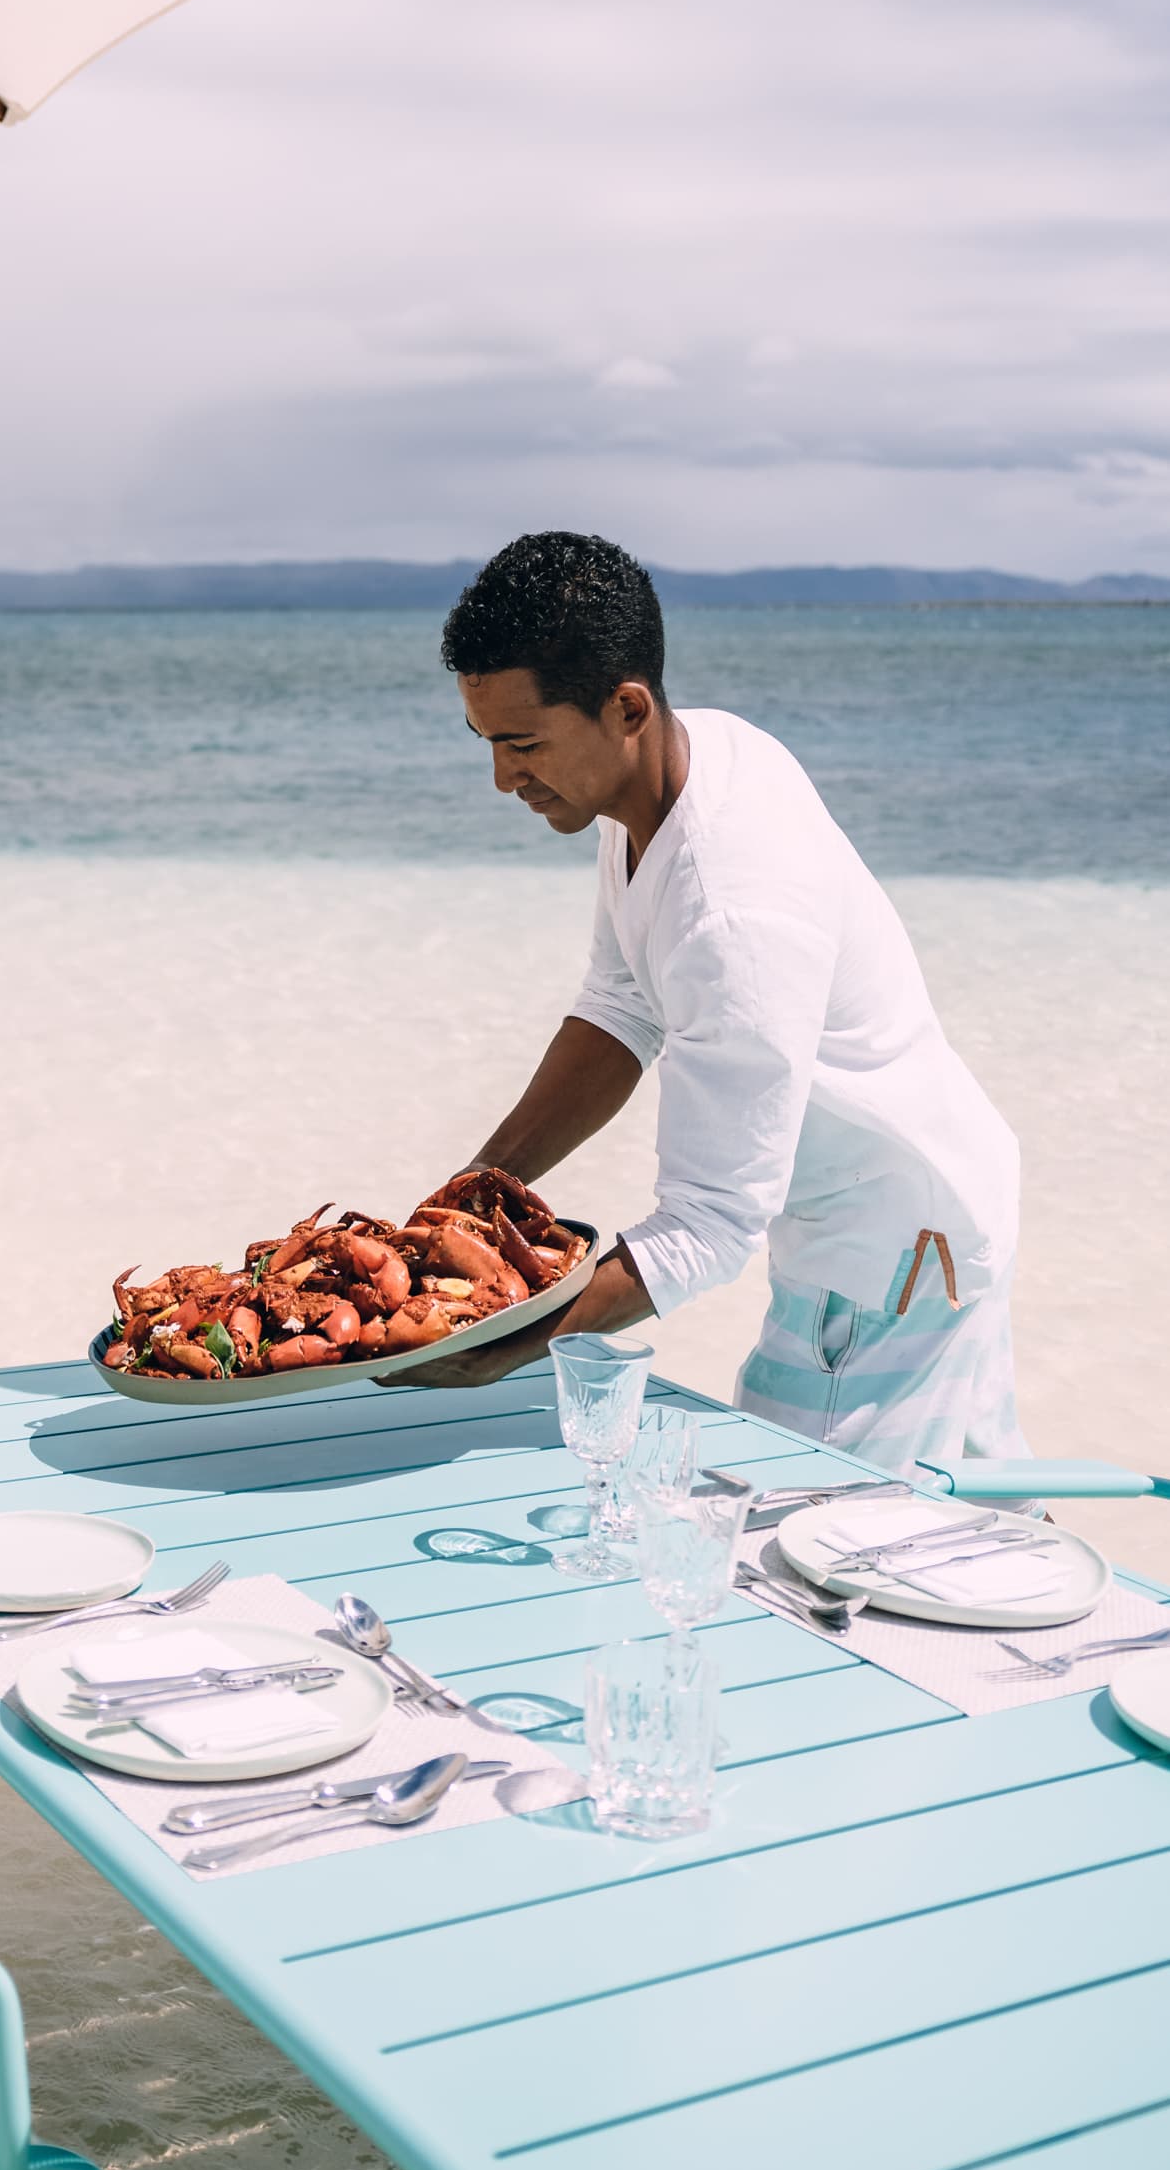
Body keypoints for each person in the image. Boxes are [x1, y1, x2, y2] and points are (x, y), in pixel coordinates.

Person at [396, 527, 1028, 1481]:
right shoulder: (675, 770)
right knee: (973, 1507)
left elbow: (707, 1223)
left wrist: (505, 1343)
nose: (502, 778)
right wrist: (467, 1201)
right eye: (486, 743)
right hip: (876, 1218)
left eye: (523, 745)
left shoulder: (736, 906)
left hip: (897, 1253)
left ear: (624, 708)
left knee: (807, 1541)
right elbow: (620, 1009)